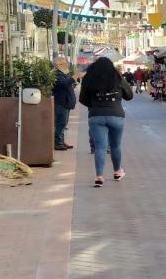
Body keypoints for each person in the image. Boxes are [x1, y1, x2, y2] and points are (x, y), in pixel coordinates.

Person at [79, 57, 133, 187]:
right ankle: (117, 171)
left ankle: (99, 176)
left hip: (96, 116)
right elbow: (129, 95)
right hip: (116, 115)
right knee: (115, 146)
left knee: (100, 147)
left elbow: (82, 99)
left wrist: (93, 105)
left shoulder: (88, 79)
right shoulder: (118, 78)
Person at [52, 57, 76, 151]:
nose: (66, 65)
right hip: (61, 102)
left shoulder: (62, 74)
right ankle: (58, 142)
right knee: (61, 123)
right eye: (64, 63)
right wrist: (74, 78)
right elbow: (63, 83)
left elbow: (65, 84)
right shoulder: (57, 74)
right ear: (59, 65)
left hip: (65, 103)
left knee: (63, 123)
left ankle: (61, 141)